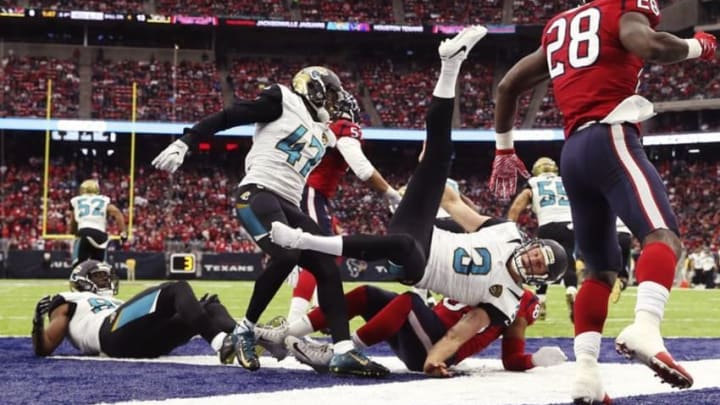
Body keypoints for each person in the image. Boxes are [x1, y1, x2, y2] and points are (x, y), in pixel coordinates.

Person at [270, 26, 569, 365]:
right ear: (532, 243)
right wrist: (427, 173)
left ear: (538, 279)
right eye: (538, 254)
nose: (533, 260)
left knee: (405, 256)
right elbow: (454, 203)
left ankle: (338, 343)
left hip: (416, 263)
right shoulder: (507, 231)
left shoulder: (509, 300)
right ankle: (451, 64)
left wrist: (437, 359)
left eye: (540, 266)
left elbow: (465, 330)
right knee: (442, 155)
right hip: (418, 230)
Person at [488, 0, 716, 402]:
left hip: (573, 152)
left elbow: (508, 86)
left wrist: (504, 149)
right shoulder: (622, 8)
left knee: (599, 270)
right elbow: (648, 44)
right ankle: (646, 326)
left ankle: (587, 373)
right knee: (663, 236)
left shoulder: (560, 25)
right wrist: (701, 47)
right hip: (611, 135)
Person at [151, 65, 388, 377]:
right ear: (312, 87)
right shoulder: (282, 99)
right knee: (287, 253)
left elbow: (345, 149)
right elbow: (230, 116)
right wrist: (188, 140)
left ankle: (343, 350)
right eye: (329, 95)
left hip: (289, 203)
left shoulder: (323, 131)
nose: (332, 103)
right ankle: (245, 329)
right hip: (257, 192)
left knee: (328, 263)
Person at [256, 285, 566, 376]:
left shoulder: (523, 299)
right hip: (422, 332)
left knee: (407, 301)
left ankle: (341, 351)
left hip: (438, 349)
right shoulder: (483, 264)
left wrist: (534, 360)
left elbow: (511, 358)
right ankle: (285, 336)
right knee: (367, 295)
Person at [288, 90, 401, 324]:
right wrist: (389, 193)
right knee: (319, 253)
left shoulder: (324, 128)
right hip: (309, 191)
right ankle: (294, 322)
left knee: (331, 252)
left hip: (309, 193)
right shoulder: (343, 127)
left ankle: (320, 310)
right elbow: (362, 169)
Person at [32, 259, 238, 360]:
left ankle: (247, 337)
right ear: (80, 280)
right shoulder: (70, 298)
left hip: (143, 342)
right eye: (98, 276)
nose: (105, 279)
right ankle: (220, 343)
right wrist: (37, 324)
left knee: (210, 307)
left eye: (107, 275)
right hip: (107, 334)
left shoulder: (117, 302)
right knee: (177, 288)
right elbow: (46, 347)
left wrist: (193, 310)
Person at [507, 157, 578, 322]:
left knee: (544, 263)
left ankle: (541, 301)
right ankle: (572, 290)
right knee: (568, 258)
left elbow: (517, 206)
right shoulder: (566, 181)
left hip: (547, 223)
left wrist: (509, 226)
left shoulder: (533, 183)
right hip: (570, 224)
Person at [69, 179, 127, 266]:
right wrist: (123, 232)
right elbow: (116, 212)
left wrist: (73, 232)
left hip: (84, 232)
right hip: (100, 235)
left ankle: (79, 277)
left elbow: (73, 221)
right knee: (99, 267)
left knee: (78, 266)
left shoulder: (77, 200)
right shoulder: (103, 200)